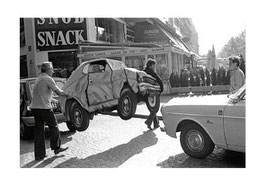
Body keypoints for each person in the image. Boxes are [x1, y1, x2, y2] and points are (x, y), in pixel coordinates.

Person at [30, 61, 71, 161]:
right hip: (44, 109)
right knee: (54, 126)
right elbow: (59, 92)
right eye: (52, 69)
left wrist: (54, 101)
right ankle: (56, 148)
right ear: (47, 70)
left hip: (35, 108)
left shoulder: (39, 79)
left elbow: (43, 94)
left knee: (39, 131)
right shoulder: (48, 79)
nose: (53, 71)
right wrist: (68, 95)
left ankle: (39, 155)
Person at [143, 58, 164, 130]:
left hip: (145, 92)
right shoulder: (151, 72)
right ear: (150, 65)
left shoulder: (143, 72)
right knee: (156, 108)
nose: (154, 67)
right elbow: (159, 80)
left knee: (152, 108)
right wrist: (161, 89)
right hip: (153, 92)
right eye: (153, 66)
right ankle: (148, 121)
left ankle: (156, 123)